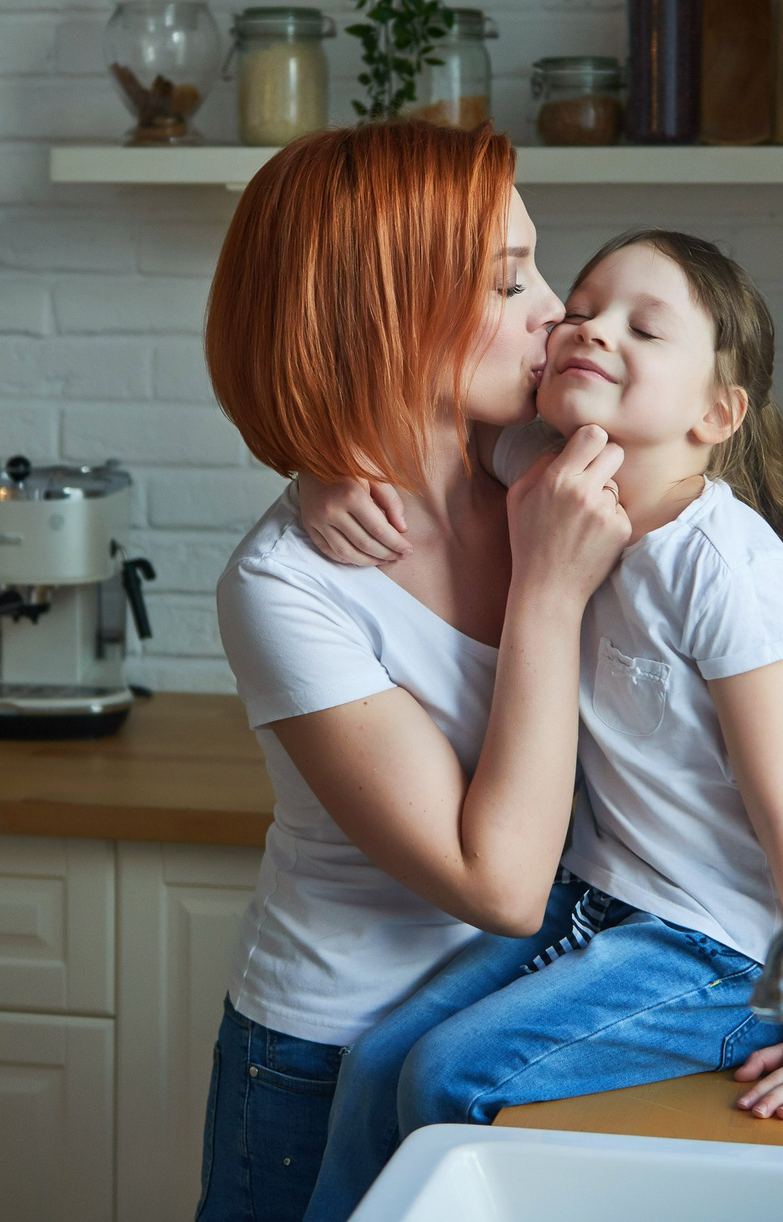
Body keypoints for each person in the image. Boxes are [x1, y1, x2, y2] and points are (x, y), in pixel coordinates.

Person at [295, 230, 783, 1222]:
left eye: (643, 325)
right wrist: (320, 468)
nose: (590, 327)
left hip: (722, 951)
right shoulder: (547, 463)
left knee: (444, 1074)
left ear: (716, 411)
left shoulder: (724, 566)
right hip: (598, 903)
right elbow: (412, 429)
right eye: (580, 307)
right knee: (376, 1065)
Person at [197, 122, 632, 1222]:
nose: (554, 309)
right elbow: (497, 885)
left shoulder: (544, 464)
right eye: (507, 280)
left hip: (530, 1021)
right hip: (324, 1064)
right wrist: (545, 590)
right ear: (378, 314)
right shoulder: (286, 587)